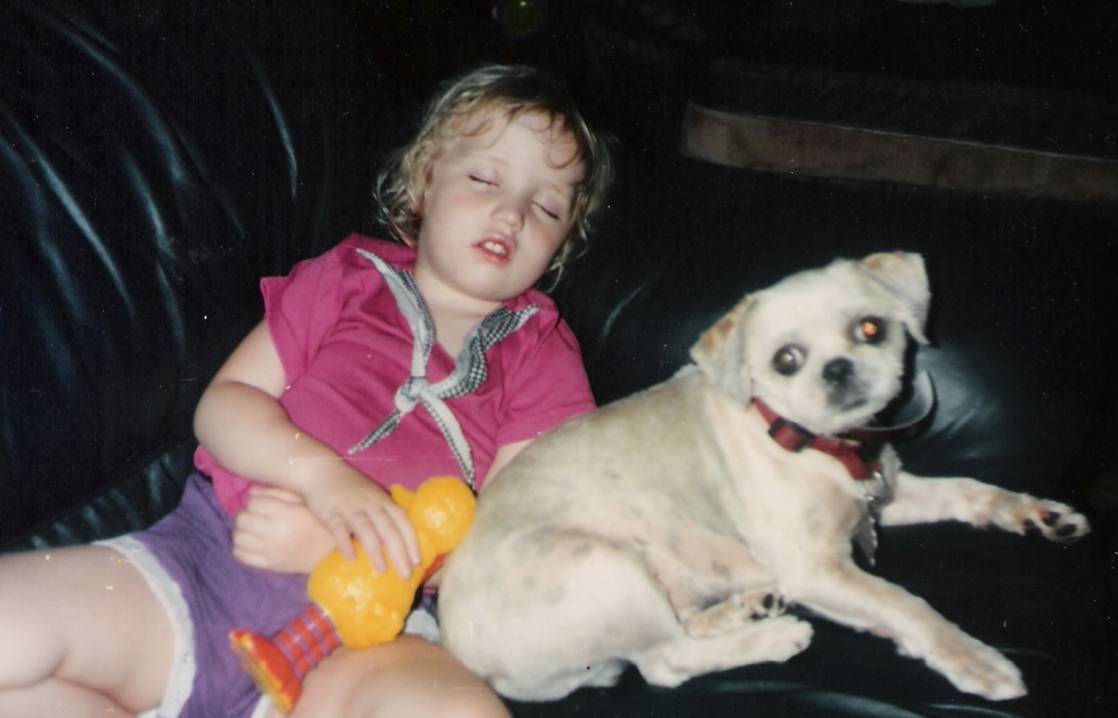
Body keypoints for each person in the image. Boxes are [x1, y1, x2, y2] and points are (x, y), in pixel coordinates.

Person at [0, 63, 614, 718]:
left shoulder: (543, 352)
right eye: (485, 178)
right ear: (423, 182)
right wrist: (327, 483)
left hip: (377, 638)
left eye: (547, 205)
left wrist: (342, 546)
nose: (511, 212)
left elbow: (509, 545)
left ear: (563, 242)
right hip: (205, 567)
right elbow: (225, 406)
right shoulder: (346, 277)